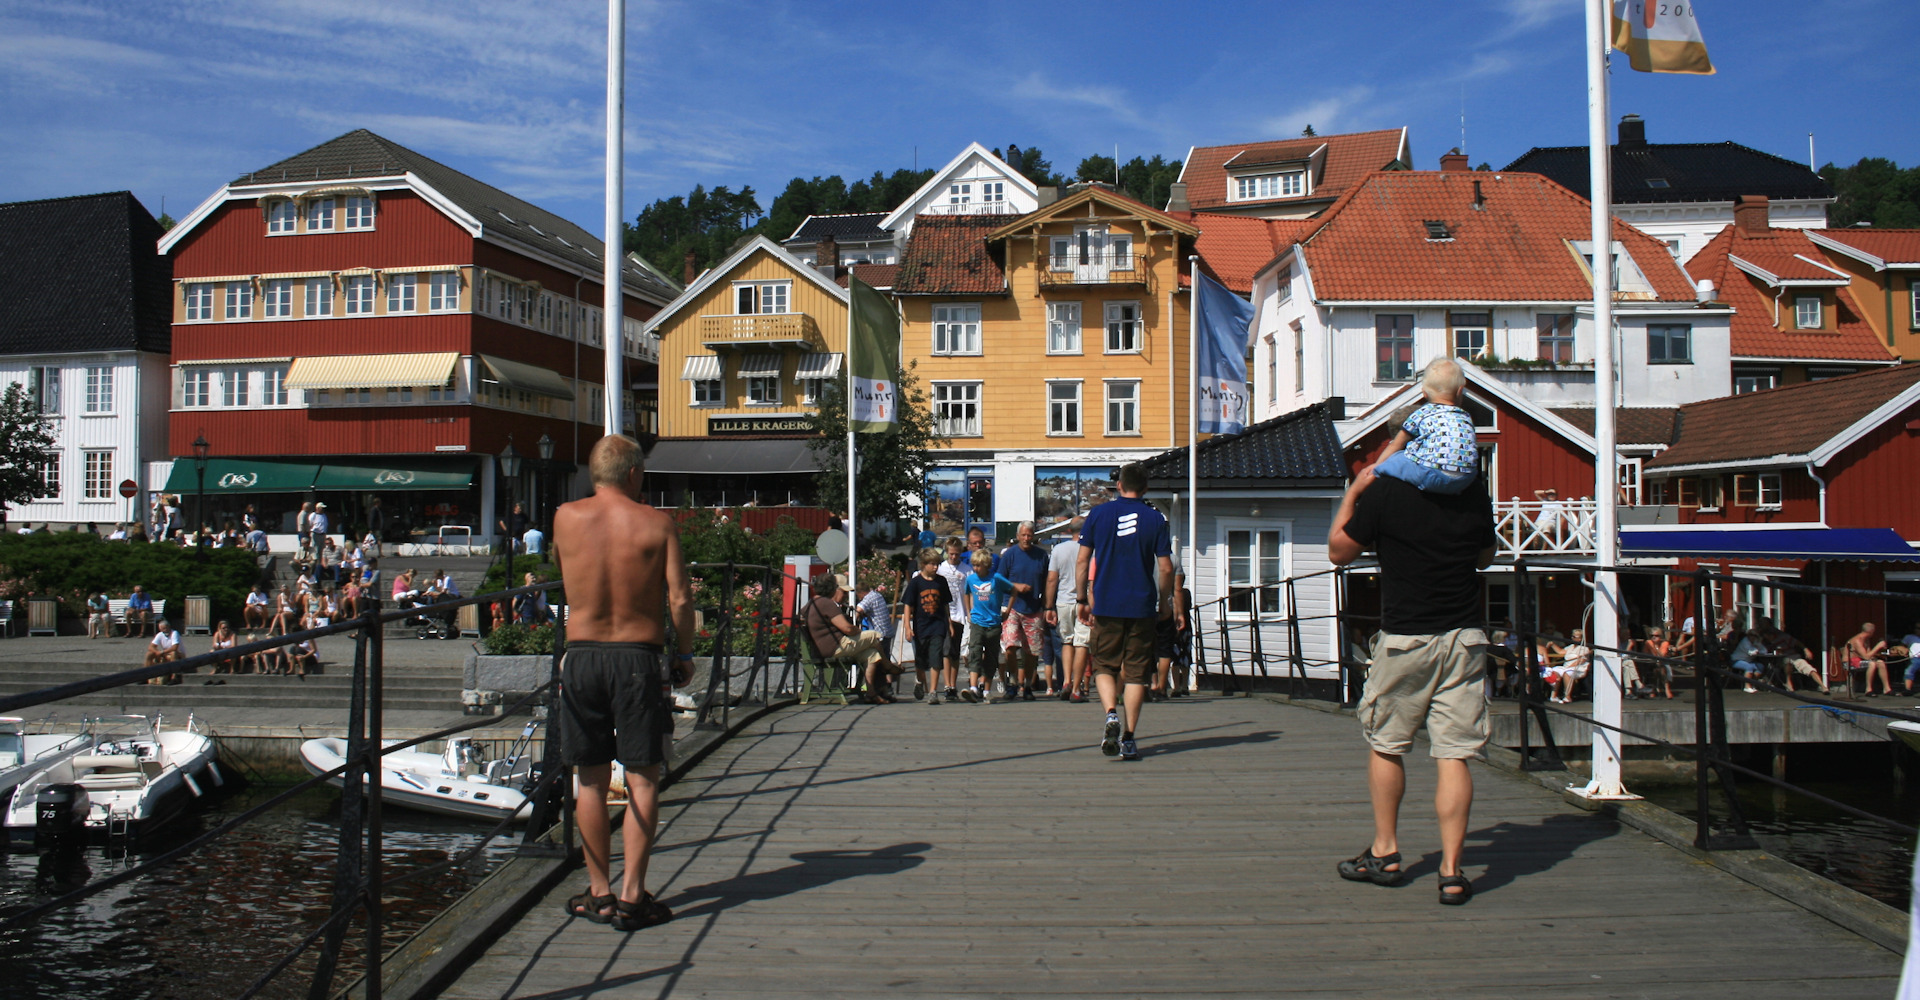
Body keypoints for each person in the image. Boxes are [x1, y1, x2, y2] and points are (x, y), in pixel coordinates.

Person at [1328, 441, 1496, 906]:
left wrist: (1352, 494)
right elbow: (1486, 557)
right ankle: (1451, 871)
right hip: (1463, 636)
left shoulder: (1388, 491)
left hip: (1406, 636)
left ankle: (1386, 852)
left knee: (1387, 742)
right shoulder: (1472, 490)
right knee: (1454, 754)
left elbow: (1338, 551)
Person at [552, 435, 694, 932]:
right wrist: (686, 653)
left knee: (588, 779)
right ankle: (633, 897)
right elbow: (679, 599)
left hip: (583, 657)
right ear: (635, 474)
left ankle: (599, 893)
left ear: (595, 475)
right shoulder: (657, 523)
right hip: (637, 658)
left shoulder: (565, 518)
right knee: (641, 777)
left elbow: (563, 571)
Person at [1076, 463, 1174, 762]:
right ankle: (1130, 738)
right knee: (1136, 673)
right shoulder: (1156, 518)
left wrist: (1082, 598)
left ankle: (1109, 714)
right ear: (1145, 488)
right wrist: (1165, 600)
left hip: (1106, 602)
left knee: (1104, 665)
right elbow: (1166, 567)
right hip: (1142, 605)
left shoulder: (1098, 514)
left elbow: (1082, 561)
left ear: (1119, 486)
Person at [1366, 357, 1479, 495]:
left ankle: (1375, 473)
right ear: (1460, 391)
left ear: (1424, 392)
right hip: (1465, 479)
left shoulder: (1421, 413)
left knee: (1398, 457)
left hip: (1431, 476)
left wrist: (1377, 465)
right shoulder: (1466, 417)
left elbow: (1396, 445)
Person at [805, 576, 893, 703]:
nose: (846, 596)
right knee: (875, 635)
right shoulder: (826, 604)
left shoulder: (812, 603)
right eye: (844, 592)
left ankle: (871, 693)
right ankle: (888, 666)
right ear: (834, 589)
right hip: (834, 647)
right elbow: (847, 629)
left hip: (824, 647)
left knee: (872, 654)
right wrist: (858, 630)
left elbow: (802, 617)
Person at [962, 550, 1026, 703]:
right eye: (974, 565)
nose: (976, 568)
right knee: (975, 651)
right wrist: (969, 612)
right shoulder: (971, 579)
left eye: (979, 565)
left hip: (994, 622)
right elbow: (966, 593)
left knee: (991, 657)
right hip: (977, 621)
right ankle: (973, 687)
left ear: (986, 565)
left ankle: (987, 690)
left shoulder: (996, 578)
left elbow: (1013, 590)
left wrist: (1007, 610)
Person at [997, 521, 1051, 702]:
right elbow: (998, 579)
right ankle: (1012, 682)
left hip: (1034, 608)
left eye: (1030, 535)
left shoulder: (1041, 556)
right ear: (1018, 536)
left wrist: (1046, 606)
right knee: (1011, 646)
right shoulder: (1010, 555)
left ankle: (1027, 685)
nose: (1027, 539)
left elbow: (1047, 582)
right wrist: (1015, 586)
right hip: (1012, 606)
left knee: (1032, 651)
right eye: (1024, 535)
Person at [1046, 514, 1089, 703]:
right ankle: (1077, 688)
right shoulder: (1092, 550)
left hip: (1063, 601)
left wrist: (1048, 605)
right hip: (1084, 602)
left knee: (1066, 642)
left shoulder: (1059, 550)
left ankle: (1066, 681)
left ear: (1069, 530)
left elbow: (1052, 579)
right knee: (1081, 644)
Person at [902, 550, 952, 704]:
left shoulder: (941, 581)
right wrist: (907, 627)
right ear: (923, 565)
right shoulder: (916, 583)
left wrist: (949, 624)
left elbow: (945, 605)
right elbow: (907, 606)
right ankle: (919, 680)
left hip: (938, 624)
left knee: (936, 657)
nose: (935, 567)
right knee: (921, 661)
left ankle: (933, 691)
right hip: (921, 626)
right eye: (932, 564)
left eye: (937, 564)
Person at [936, 537, 969, 703]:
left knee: (955, 651)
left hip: (961, 615)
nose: (954, 557)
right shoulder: (941, 569)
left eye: (957, 554)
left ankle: (953, 684)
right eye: (951, 554)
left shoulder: (966, 570)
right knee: (946, 650)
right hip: (946, 613)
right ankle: (947, 684)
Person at [855, 577, 898, 694]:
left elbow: (858, 610)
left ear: (861, 593)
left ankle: (879, 687)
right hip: (887, 632)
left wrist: (852, 622)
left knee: (877, 660)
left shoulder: (868, 598)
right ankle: (887, 686)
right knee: (886, 659)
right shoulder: (877, 595)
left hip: (880, 634)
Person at [1152, 567, 1189, 702]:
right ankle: (1162, 688)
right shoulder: (1174, 560)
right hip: (1165, 611)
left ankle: (1153, 684)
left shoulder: (1144, 553)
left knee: (1148, 649)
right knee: (1164, 651)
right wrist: (1179, 614)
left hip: (1146, 608)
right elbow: (1177, 590)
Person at [1852, 622, 1892, 697]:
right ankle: (1868, 689)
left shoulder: (1866, 640)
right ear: (1871, 631)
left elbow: (1869, 655)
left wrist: (1880, 655)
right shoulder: (1857, 640)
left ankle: (1887, 688)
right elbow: (1866, 657)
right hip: (1851, 662)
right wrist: (1878, 646)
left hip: (1862, 660)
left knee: (1880, 662)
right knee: (1872, 664)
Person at [1554, 630, 1591, 704]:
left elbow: (1581, 660)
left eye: (1576, 637)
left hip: (1579, 668)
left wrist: (1569, 667)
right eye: (1572, 636)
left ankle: (1567, 696)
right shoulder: (1570, 647)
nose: (1573, 638)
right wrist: (1552, 644)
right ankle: (1554, 695)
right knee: (1554, 671)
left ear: (1581, 638)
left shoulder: (1584, 648)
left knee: (1567, 673)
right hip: (1567, 667)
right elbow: (1560, 652)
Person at [145, 619, 184, 684]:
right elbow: (151, 646)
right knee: (149, 654)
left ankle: (174, 677)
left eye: (164, 628)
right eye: (161, 629)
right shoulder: (160, 634)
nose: (163, 630)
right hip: (166, 653)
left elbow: (175, 647)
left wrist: (162, 652)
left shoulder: (174, 633)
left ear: (168, 627)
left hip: (178, 654)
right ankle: (145, 676)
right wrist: (157, 652)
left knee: (173, 653)